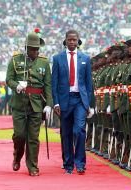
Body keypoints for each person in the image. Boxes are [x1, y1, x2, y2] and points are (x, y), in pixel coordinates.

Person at [6, 32, 52, 176]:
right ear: (26, 48)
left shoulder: (44, 62)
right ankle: (17, 155)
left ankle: (32, 166)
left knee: (33, 137)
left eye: (37, 49)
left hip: (36, 104)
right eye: (32, 49)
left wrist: (49, 104)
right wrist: (16, 86)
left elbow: (48, 85)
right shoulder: (15, 60)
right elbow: (9, 79)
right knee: (20, 135)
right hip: (19, 103)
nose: (35, 51)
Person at [52, 30, 92, 175]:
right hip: (64, 100)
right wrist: (55, 103)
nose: (72, 42)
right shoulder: (57, 58)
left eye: (74, 40)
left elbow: (89, 84)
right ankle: (68, 164)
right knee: (66, 133)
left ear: (78, 41)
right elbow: (54, 83)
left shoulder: (85, 58)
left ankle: (80, 163)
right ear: (65, 40)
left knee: (79, 130)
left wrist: (89, 104)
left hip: (80, 100)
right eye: (69, 40)